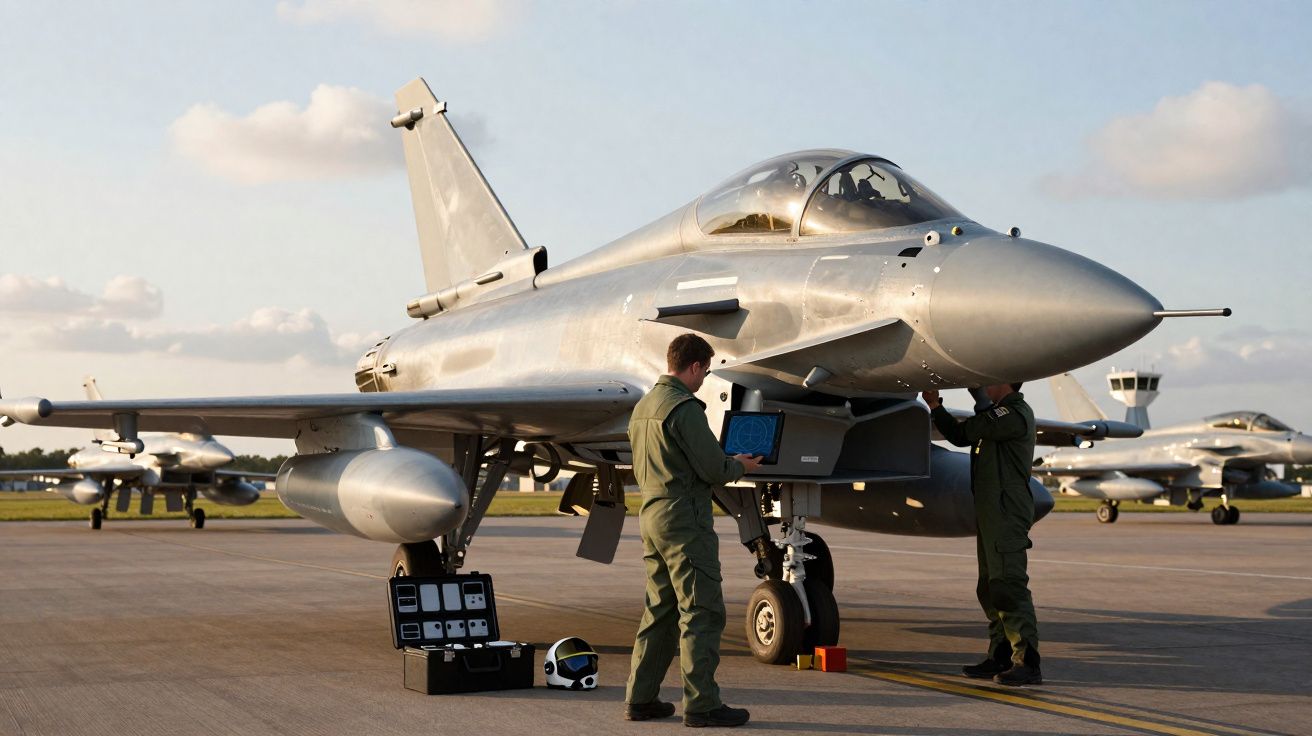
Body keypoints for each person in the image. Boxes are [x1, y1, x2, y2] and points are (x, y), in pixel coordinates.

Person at [624, 333, 763, 727]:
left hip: (652, 516)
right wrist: (741, 465)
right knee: (701, 611)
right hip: (685, 521)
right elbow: (714, 469)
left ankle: (641, 698)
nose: (704, 380)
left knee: (659, 610)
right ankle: (702, 705)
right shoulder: (684, 408)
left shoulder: (643, 407)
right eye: (705, 371)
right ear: (696, 366)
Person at [921, 382, 1042, 686]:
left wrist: (978, 400)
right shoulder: (995, 416)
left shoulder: (1013, 414)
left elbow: (972, 430)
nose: (983, 383)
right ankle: (999, 655)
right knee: (989, 588)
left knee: (1008, 585)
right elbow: (963, 435)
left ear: (1004, 381)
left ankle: (1027, 662)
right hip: (991, 513)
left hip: (1006, 513)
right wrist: (936, 407)